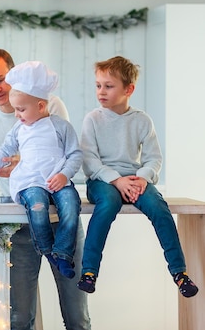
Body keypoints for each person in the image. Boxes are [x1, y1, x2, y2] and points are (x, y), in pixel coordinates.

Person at [0, 49, 90, 330]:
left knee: (77, 316)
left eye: (0, 79)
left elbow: (63, 156)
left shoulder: (49, 105)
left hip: (61, 219)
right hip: (17, 227)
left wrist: (19, 166)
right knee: (19, 319)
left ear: (13, 74)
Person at [77, 56, 199, 298]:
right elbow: (89, 161)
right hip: (102, 181)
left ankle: (179, 272)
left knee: (158, 206)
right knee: (108, 203)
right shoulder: (93, 119)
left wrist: (142, 178)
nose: (101, 91)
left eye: (109, 86)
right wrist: (116, 180)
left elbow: (154, 158)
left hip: (135, 180)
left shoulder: (141, 120)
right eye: (98, 85)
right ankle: (89, 271)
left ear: (128, 89)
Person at [0, 61, 83, 279]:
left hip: (58, 181)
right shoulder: (18, 129)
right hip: (31, 182)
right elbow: (2, 151)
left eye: (21, 109)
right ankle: (47, 250)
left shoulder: (61, 126)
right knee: (37, 207)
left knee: (71, 206)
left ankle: (62, 253)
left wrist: (64, 175)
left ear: (41, 107)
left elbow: (75, 155)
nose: (17, 115)